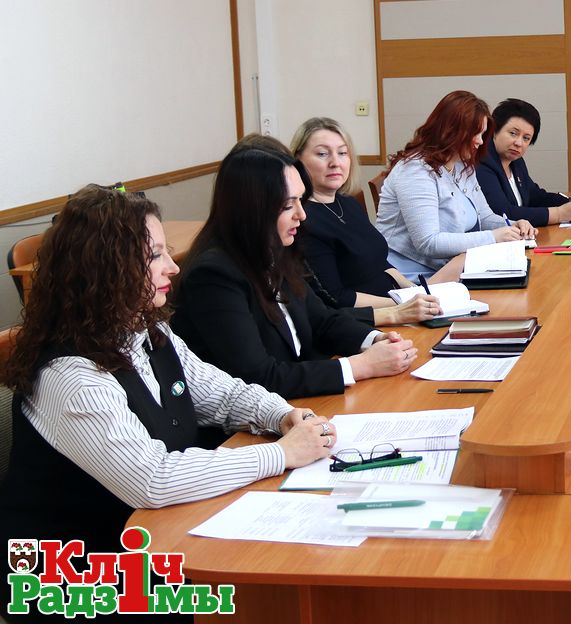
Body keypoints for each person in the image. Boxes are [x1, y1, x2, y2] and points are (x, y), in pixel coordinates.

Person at [0, 186, 336, 597]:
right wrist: (281, 454)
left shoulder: (146, 329)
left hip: (151, 540)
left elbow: (220, 393)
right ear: (106, 270)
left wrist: (281, 415)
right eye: (154, 256)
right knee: (265, 590)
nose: (173, 267)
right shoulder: (72, 377)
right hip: (75, 577)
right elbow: (153, 479)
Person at [172, 148, 419, 399]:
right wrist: (361, 366)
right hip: (258, 414)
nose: (301, 215)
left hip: (301, 399)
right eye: (289, 205)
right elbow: (257, 377)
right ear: (253, 209)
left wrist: (375, 340)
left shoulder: (275, 251)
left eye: (301, 200)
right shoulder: (214, 276)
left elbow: (321, 320)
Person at [290, 117, 441, 324]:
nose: (335, 162)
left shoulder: (348, 203)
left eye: (342, 153)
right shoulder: (303, 219)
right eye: (322, 154)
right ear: (297, 160)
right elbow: (336, 298)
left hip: (399, 308)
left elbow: (379, 261)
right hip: (368, 321)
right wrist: (401, 305)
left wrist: (415, 292)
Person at [376, 90, 536, 280]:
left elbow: (484, 216)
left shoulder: (462, 165)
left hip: (451, 266)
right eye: (475, 133)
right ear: (450, 130)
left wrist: (511, 226)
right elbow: (428, 242)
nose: (480, 141)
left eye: (482, 134)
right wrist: (494, 237)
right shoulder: (415, 171)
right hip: (411, 277)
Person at [478, 98, 571, 226]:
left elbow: (536, 196)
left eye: (526, 138)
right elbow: (503, 213)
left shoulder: (517, 162)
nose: (519, 143)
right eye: (513, 133)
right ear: (494, 130)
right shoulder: (482, 162)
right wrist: (558, 214)